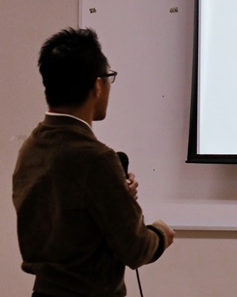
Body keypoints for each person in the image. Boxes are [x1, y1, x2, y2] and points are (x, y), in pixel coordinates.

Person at [12, 27, 176, 297]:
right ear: (98, 85)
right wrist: (160, 232)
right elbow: (135, 249)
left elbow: (66, 220)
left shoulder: (31, 146)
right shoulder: (96, 159)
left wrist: (116, 195)